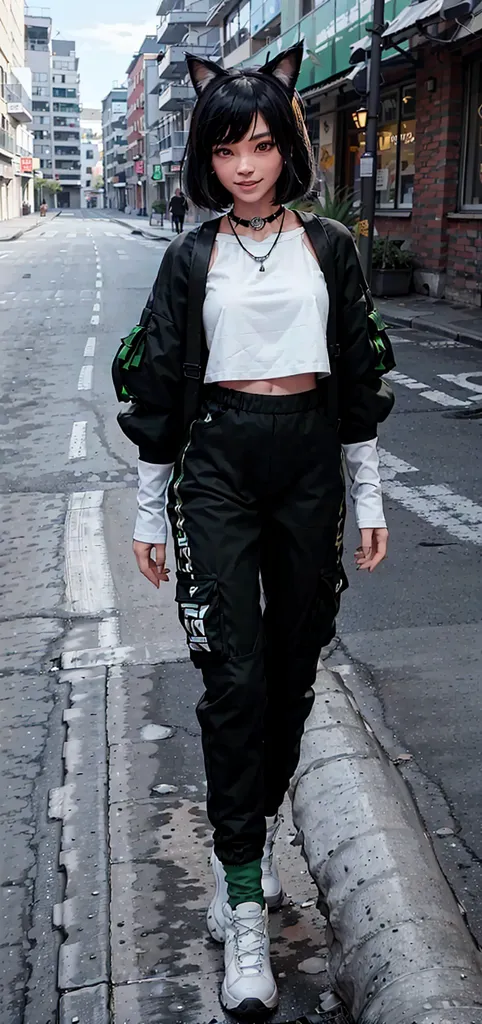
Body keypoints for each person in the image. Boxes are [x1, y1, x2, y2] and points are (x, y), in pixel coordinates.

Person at [114, 42, 394, 1020]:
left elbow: (358, 380)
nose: (244, 164)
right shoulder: (190, 258)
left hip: (309, 461)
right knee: (231, 674)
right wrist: (151, 510)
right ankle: (240, 902)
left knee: (290, 665)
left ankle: (251, 830)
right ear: (205, 155)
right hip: (221, 466)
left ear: (287, 152)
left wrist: (366, 498)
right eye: (227, 147)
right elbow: (156, 392)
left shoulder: (330, 248)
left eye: (262, 145)